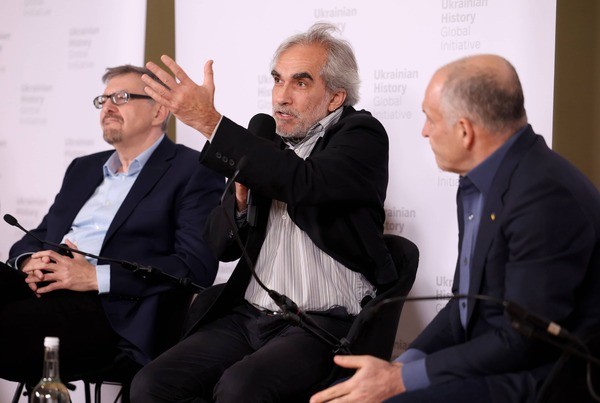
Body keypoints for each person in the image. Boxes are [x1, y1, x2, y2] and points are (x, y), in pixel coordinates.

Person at [130, 23, 397, 402]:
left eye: (300, 83)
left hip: (320, 323)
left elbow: (305, 183)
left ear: (335, 97)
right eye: (277, 80)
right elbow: (220, 246)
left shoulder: (361, 135)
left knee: (240, 388)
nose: (281, 97)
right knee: (151, 383)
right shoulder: (265, 144)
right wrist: (240, 201)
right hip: (250, 315)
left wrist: (209, 122)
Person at [310, 54, 600, 403]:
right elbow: (464, 306)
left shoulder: (544, 197)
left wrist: (400, 381)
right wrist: (400, 367)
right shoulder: (479, 180)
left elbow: (524, 340)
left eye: (430, 119)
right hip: (491, 362)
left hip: (540, 381)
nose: (424, 131)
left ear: (465, 130)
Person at [0, 65, 224, 388]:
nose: (107, 107)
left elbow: (194, 266)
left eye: (121, 97)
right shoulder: (83, 168)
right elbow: (37, 235)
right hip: (43, 287)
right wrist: (28, 262)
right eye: (102, 100)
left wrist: (95, 277)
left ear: (159, 111)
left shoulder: (192, 170)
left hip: (110, 309)